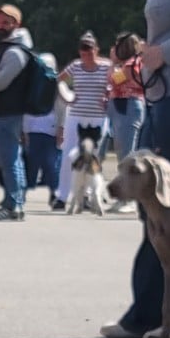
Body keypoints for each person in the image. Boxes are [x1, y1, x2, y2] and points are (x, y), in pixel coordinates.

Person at [102, 0, 170, 338]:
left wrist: (167, 51)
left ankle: (149, 314)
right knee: (153, 206)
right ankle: (151, 313)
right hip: (162, 95)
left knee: (160, 204)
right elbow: (155, 5)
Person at [0, 4, 34, 221]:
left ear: (17, 24)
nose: (1, 26)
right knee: (12, 158)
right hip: (9, 111)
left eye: (6, 22)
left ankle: (13, 204)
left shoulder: (15, 52)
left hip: (8, 111)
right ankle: (14, 202)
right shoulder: (12, 48)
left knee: (8, 158)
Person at [53, 31, 111, 212]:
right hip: (77, 115)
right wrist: (66, 97)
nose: (87, 54)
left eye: (90, 50)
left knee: (92, 156)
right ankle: (63, 196)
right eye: (83, 51)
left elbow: (116, 83)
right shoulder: (76, 66)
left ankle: (85, 195)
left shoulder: (106, 67)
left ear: (97, 50)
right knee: (69, 154)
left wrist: (108, 95)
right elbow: (58, 80)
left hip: (98, 116)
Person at [107, 31, 147, 212]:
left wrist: (112, 63)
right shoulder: (133, 63)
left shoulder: (131, 65)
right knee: (123, 151)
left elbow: (113, 80)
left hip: (129, 106)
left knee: (127, 153)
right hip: (124, 106)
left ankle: (129, 199)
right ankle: (126, 197)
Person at [23, 53, 68, 208]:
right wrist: (24, 130)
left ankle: (55, 194)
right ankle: (20, 195)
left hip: (51, 131)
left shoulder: (58, 85)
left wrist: (62, 129)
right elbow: (25, 109)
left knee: (51, 165)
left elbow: (64, 108)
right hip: (33, 130)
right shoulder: (31, 84)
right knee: (31, 164)